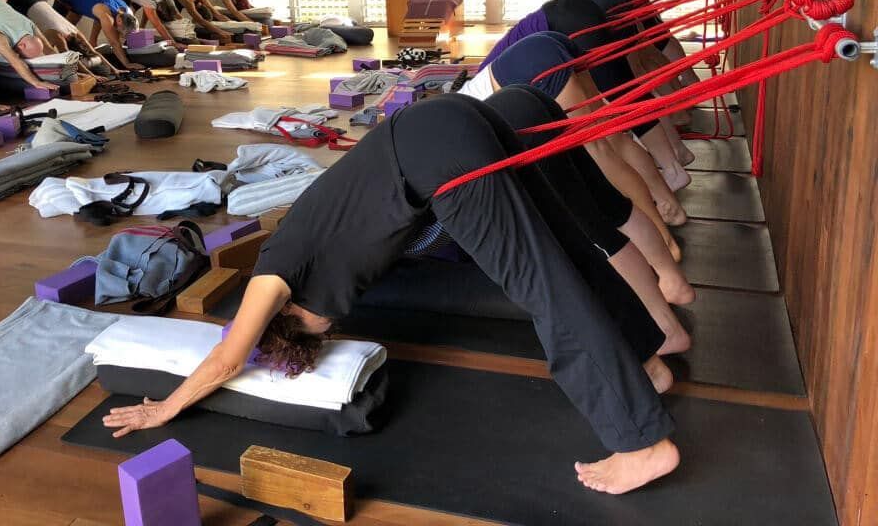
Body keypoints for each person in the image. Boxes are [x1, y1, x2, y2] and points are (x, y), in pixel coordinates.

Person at [104, 91, 681, 496]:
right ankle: (645, 360)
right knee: (568, 248)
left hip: (434, 149)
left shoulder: (273, 272)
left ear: (289, 316)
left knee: (544, 289)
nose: (332, 324)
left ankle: (641, 441)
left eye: (315, 330)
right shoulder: (328, 266)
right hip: (451, 122)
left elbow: (229, 355)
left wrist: (168, 406)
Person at [459, 31, 690, 248]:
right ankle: (669, 207)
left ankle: (663, 238)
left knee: (598, 150)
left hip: (534, 66)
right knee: (611, 139)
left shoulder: (457, 146)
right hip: (542, 47)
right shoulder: (451, 115)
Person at [482, 0, 693, 192]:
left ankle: (672, 166)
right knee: (625, 94)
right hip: (580, 13)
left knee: (609, 124)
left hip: (572, 23)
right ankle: (675, 154)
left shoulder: (484, 88)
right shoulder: (487, 71)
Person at [7, 0, 122, 80]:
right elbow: (69, 58)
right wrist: (91, 75)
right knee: (6, 33)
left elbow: (94, 52)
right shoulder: (59, 37)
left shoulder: (75, 32)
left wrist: (114, 69)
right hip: (21, 2)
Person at [47, 0, 143, 71]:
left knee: (69, 31)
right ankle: (48, 62)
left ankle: (70, 57)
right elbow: (115, 43)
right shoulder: (107, 17)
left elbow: (99, 20)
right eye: (121, 31)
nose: (120, 33)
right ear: (119, 20)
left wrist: (93, 40)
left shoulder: (127, 12)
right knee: (55, 29)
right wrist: (127, 64)